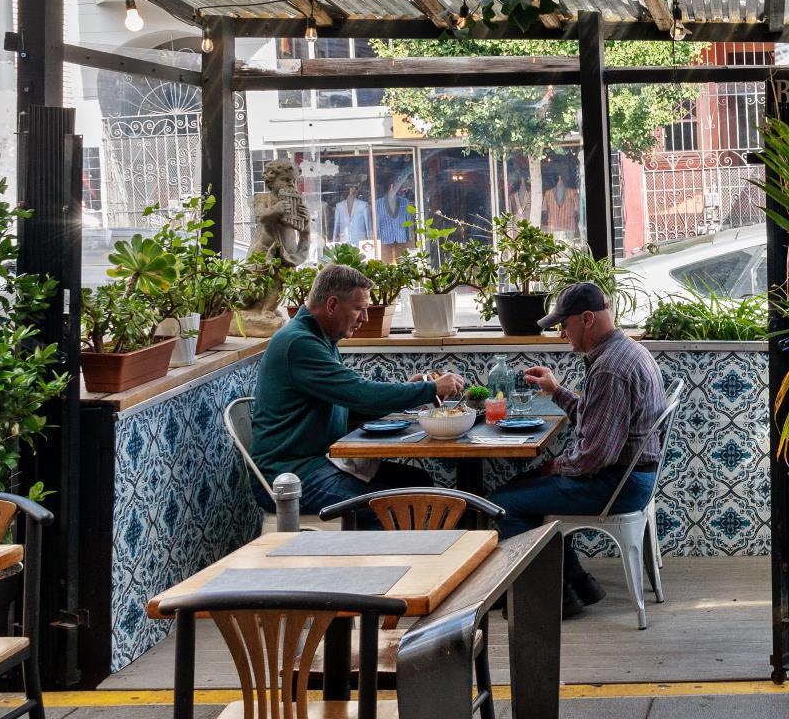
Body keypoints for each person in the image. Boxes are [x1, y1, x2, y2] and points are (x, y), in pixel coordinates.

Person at [490, 282, 666, 618]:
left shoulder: (610, 369)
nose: (561, 335)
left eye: (564, 325)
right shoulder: (626, 351)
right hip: (631, 478)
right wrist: (556, 390)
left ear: (587, 319)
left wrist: (553, 468)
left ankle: (549, 598)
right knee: (522, 489)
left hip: (615, 485)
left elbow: (595, 457)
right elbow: (601, 418)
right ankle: (577, 581)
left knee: (502, 504)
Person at [252, 263, 465, 522]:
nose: (365, 318)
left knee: (417, 481)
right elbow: (360, 394)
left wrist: (413, 388)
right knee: (401, 507)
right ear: (332, 305)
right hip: (291, 476)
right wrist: (430, 388)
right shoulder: (300, 343)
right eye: (359, 309)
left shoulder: (320, 338)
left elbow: (354, 403)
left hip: (320, 463)